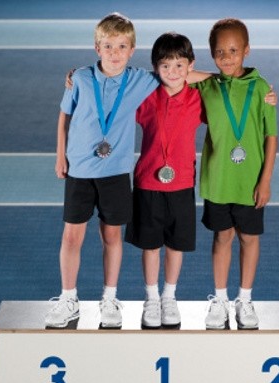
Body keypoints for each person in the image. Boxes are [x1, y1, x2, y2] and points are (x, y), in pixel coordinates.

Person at [45, 12, 159, 328]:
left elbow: (178, 74)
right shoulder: (81, 78)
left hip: (115, 173)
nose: (114, 53)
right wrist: (60, 155)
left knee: (112, 236)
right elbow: (64, 116)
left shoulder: (139, 80)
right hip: (80, 171)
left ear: (132, 50)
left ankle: (109, 298)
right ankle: (68, 298)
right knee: (72, 236)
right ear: (97, 48)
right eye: (108, 46)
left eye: (121, 46)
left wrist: (226, 76)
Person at [194, 18, 278, 330]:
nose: (227, 57)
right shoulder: (207, 86)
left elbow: (271, 137)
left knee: (249, 238)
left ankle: (244, 299)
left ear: (247, 50)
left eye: (233, 50)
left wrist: (265, 180)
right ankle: (220, 300)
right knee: (222, 237)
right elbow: (177, 73)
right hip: (218, 181)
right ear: (211, 54)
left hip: (250, 182)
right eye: (219, 52)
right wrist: (216, 76)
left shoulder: (262, 89)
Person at [125, 32, 204, 328]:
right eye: (165, 66)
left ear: (191, 66)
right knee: (150, 245)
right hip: (148, 182)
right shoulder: (145, 96)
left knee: (175, 245)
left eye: (179, 65)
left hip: (182, 183)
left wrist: (266, 95)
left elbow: (228, 86)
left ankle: (169, 296)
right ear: (155, 67)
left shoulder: (198, 98)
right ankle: (151, 298)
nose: (172, 72)